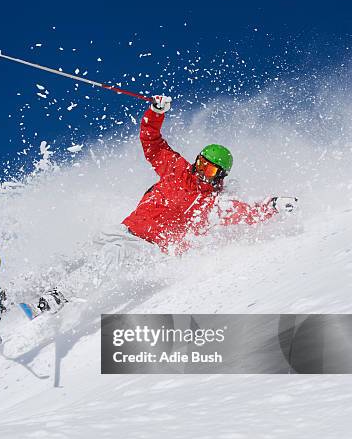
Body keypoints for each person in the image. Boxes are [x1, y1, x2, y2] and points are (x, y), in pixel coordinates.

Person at [37, 95, 298, 313]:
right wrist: (155, 112)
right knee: (80, 252)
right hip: (126, 229)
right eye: (201, 162)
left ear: (219, 176)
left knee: (112, 256)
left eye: (209, 169)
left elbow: (246, 212)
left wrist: (273, 205)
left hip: (152, 249)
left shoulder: (213, 204)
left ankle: (59, 296)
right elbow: (152, 142)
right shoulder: (176, 168)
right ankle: (17, 291)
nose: (201, 170)